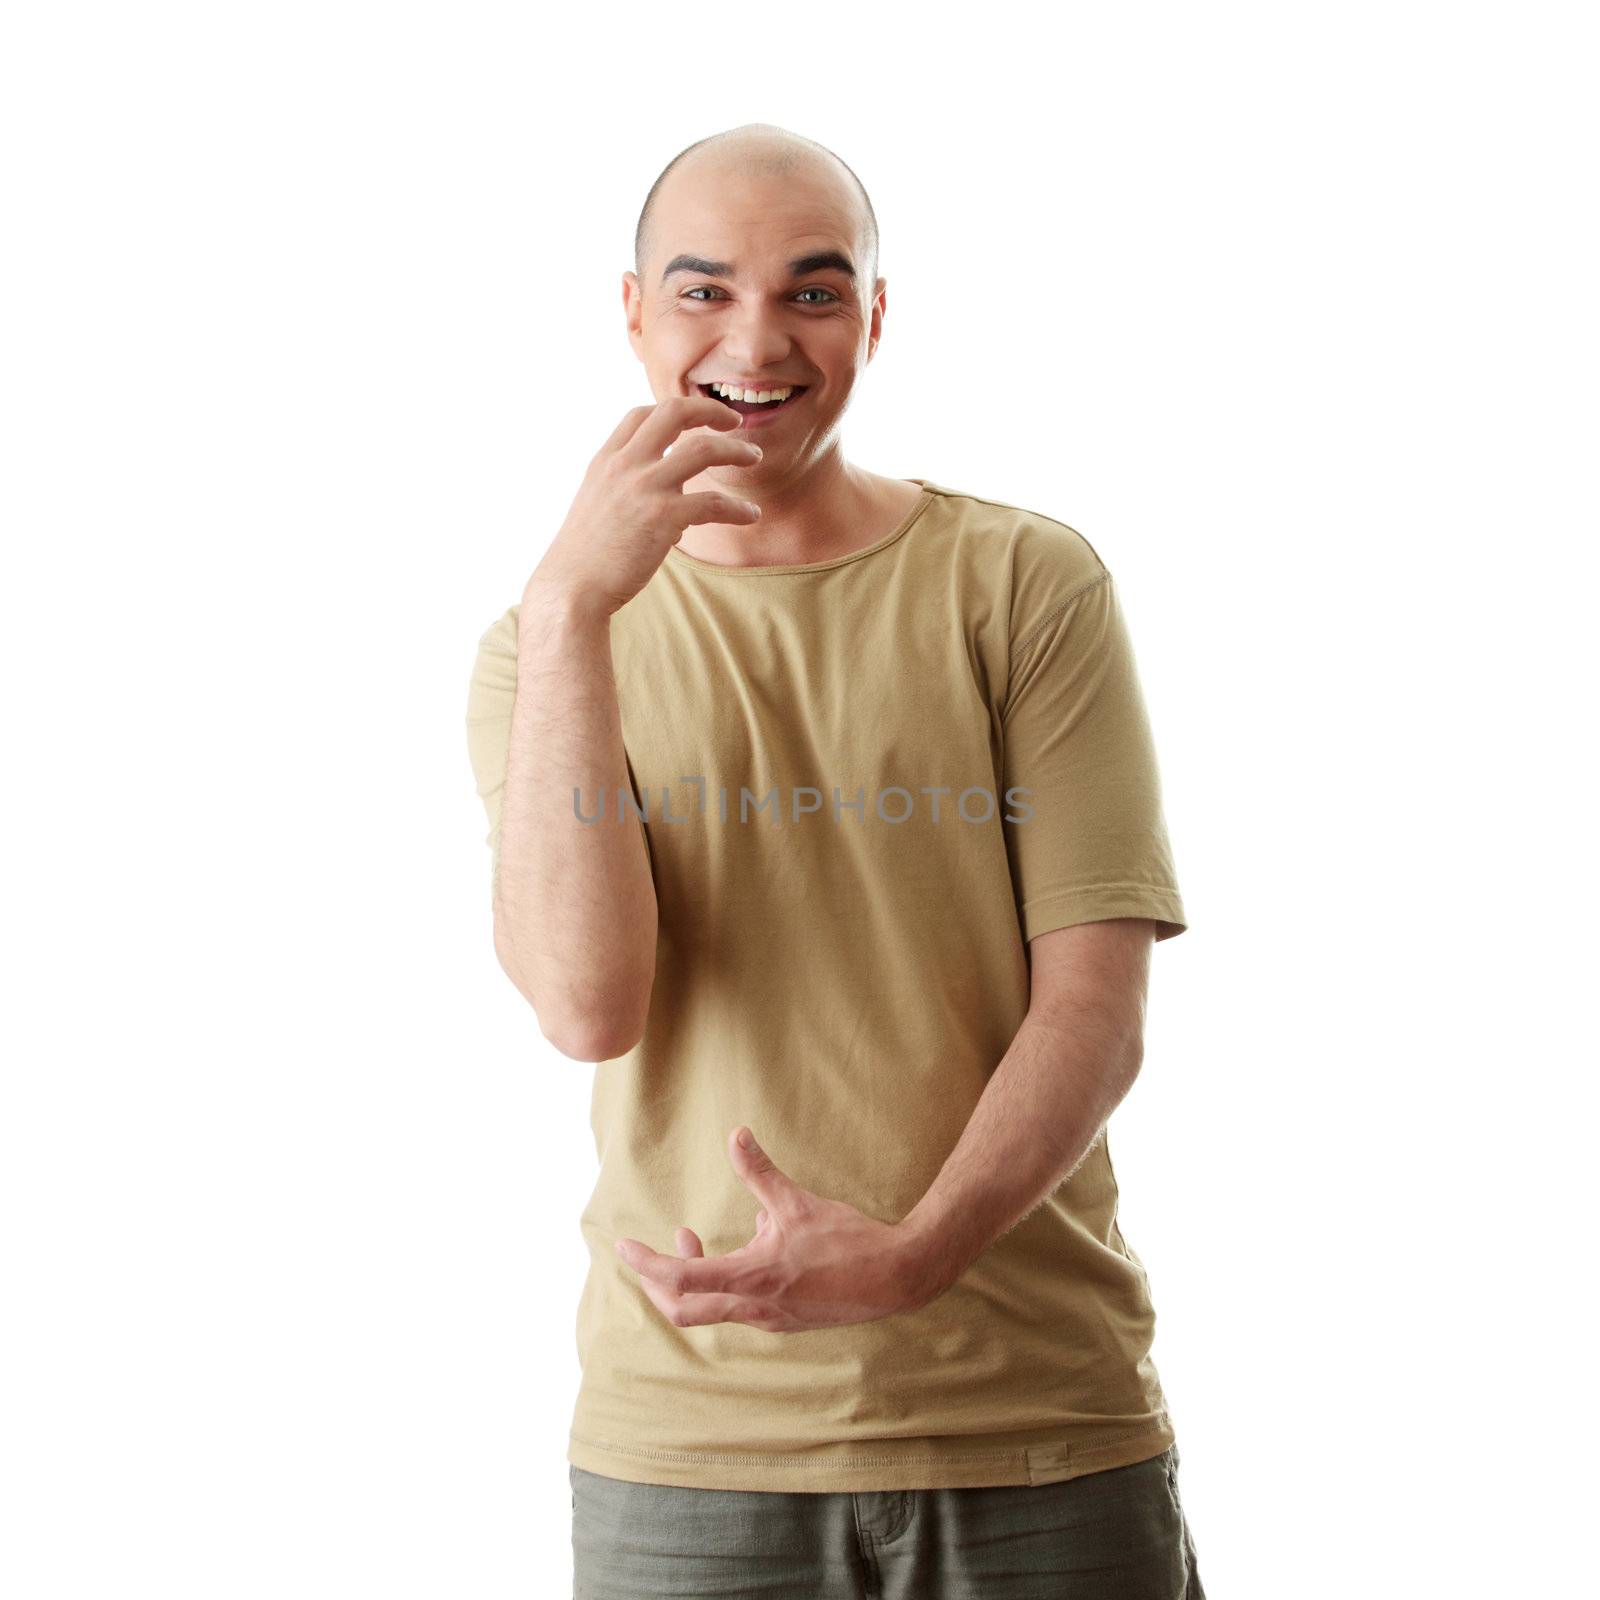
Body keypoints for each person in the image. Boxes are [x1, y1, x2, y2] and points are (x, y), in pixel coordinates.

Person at [465, 122, 1205, 1598]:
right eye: (703, 292)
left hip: (1033, 1424)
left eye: (814, 292)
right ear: (631, 312)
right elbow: (587, 1007)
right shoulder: (542, 655)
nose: (758, 340)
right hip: (690, 1451)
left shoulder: (1021, 584)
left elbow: (1094, 1013)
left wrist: (918, 1252)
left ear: (874, 316)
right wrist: (568, 615)